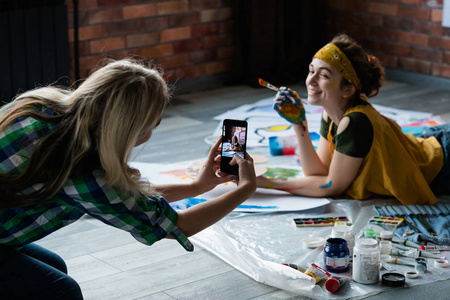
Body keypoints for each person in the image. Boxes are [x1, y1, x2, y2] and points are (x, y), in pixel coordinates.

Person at [0, 59, 256, 299]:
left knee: (53, 267)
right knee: (60, 289)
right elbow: (178, 225)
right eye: (154, 122)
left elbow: (125, 197)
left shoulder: (38, 104)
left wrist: (198, 186)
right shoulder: (80, 170)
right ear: (132, 127)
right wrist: (245, 188)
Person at [257, 33, 449, 206]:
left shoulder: (356, 121)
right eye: (311, 71)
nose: (310, 81)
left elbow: (331, 186)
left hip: (443, 163)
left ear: (348, 89)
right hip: (432, 144)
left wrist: (268, 182)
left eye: (323, 75)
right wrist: (299, 124)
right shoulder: (332, 113)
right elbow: (319, 174)